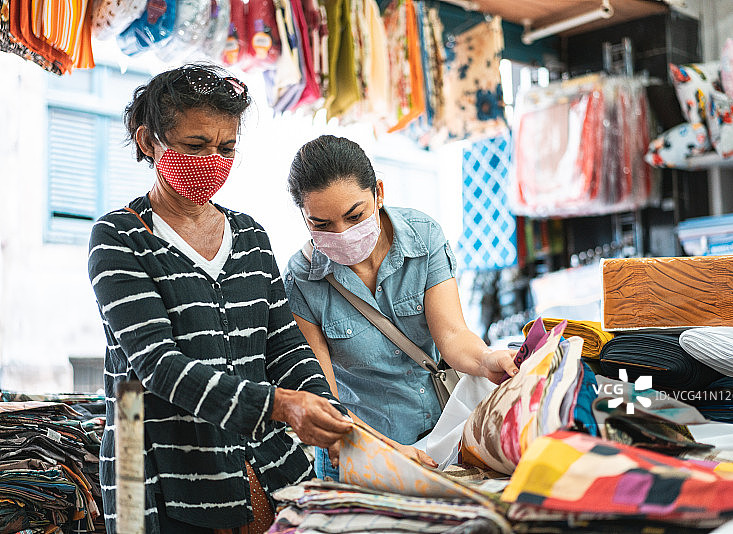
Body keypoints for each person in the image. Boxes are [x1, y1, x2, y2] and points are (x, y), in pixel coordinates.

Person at [87, 65, 351, 534]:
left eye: (226, 148)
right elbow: (158, 366)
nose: (212, 160)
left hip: (262, 469)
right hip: (155, 479)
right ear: (149, 142)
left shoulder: (250, 237)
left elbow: (284, 347)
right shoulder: (119, 237)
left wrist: (328, 411)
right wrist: (280, 405)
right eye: (195, 145)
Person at [283, 135, 519, 480]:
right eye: (321, 225)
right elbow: (323, 399)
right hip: (360, 452)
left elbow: (452, 335)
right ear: (304, 218)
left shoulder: (422, 236)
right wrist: (384, 450)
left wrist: (486, 360)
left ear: (378, 192)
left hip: (444, 437)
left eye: (355, 216)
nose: (342, 233)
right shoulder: (301, 280)